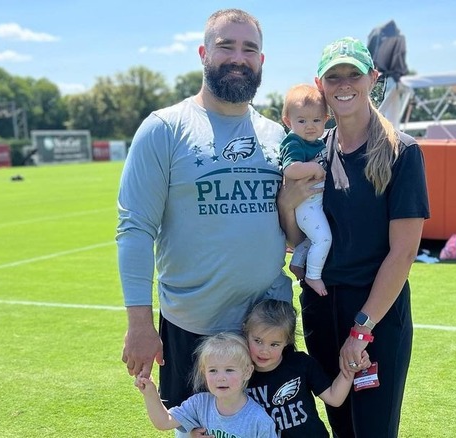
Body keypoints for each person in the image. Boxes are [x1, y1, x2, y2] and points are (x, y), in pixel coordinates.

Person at [117, 8, 308, 413]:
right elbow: (135, 229)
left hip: (267, 331)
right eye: (226, 47)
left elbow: (289, 232)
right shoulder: (164, 128)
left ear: (261, 61)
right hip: (193, 332)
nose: (238, 57)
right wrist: (139, 323)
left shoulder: (278, 137)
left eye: (249, 49)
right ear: (204, 53)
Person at [280, 37, 430, 437]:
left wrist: (361, 330)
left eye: (354, 74)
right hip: (320, 310)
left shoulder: (402, 152)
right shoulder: (313, 153)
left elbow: (403, 253)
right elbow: (298, 237)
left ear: (373, 79)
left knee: (373, 429)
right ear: (320, 84)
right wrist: (285, 204)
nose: (344, 84)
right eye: (334, 77)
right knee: (342, 425)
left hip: (374, 316)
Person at [243, 299, 368, 437]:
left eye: (274, 344)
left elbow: (334, 398)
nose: (264, 350)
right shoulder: (241, 375)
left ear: (287, 341)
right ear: (246, 333)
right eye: (258, 341)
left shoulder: (300, 364)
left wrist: (350, 368)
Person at [135, 332, 278, 437]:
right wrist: (150, 393)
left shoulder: (259, 421)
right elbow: (164, 422)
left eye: (229, 370)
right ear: (204, 373)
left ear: (247, 372)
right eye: (213, 370)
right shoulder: (200, 404)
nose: (221, 378)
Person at [279, 84, 331, 296]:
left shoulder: (317, 142)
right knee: (324, 239)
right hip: (306, 205)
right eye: (302, 121)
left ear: (326, 119)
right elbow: (290, 169)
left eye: (316, 120)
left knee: (311, 238)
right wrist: (315, 168)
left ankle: (297, 263)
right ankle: (313, 275)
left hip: (313, 203)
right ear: (288, 121)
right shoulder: (294, 142)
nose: (310, 126)